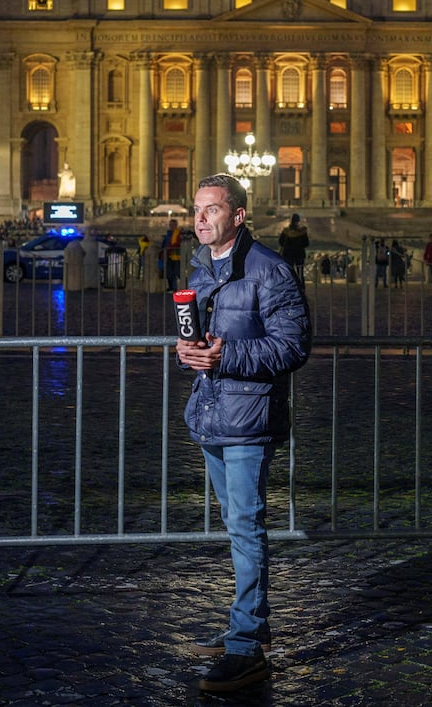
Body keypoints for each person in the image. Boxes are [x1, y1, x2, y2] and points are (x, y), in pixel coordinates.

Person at [176, 173, 310, 693]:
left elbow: (292, 347)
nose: (199, 218)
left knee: (247, 526)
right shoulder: (202, 268)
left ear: (238, 215)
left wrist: (225, 356)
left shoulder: (271, 271)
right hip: (212, 412)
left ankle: (247, 644)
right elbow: (204, 341)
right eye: (196, 209)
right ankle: (247, 625)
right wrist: (190, 354)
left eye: (211, 210)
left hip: (250, 418)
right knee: (236, 524)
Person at [277, 214, 309, 287]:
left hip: (288, 254)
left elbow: (281, 242)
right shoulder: (302, 232)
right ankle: (301, 288)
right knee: (300, 273)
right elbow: (306, 243)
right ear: (298, 221)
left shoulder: (286, 231)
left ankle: (289, 287)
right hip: (299, 254)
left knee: (288, 273)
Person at [161, 218, 184, 291]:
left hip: (176, 256)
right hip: (168, 254)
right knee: (168, 272)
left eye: (173, 224)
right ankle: (170, 287)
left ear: (176, 225)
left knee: (175, 273)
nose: (171, 226)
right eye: (170, 224)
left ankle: (174, 288)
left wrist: (168, 248)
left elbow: (177, 243)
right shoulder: (169, 233)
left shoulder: (178, 233)